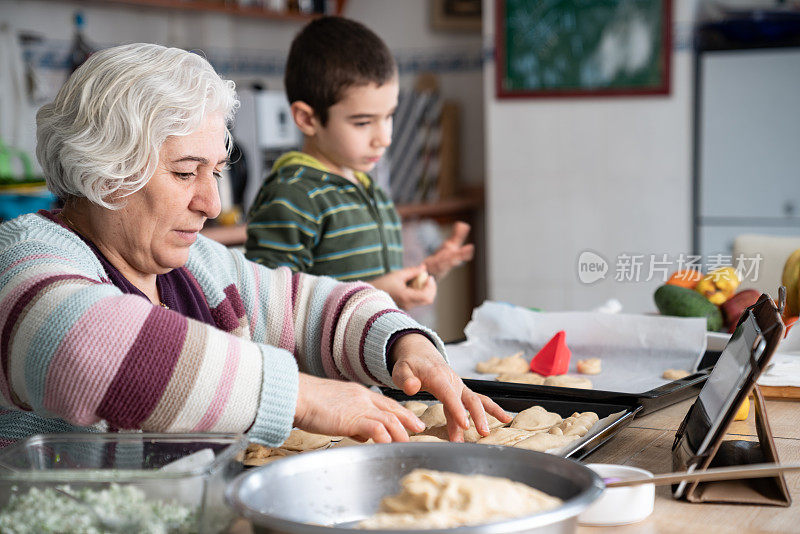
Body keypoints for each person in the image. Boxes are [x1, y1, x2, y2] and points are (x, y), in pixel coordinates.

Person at [0, 43, 509, 448]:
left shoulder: (200, 267)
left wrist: (406, 344)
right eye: (184, 173)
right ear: (105, 172)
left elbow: (311, 306)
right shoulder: (24, 259)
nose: (213, 202)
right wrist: (299, 396)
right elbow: (90, 348)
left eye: (216, 172)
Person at [244, 17, 474, 310]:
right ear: (307, 119)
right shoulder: (294, 196)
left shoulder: (366, 188)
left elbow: (368, 284)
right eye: (363, 122)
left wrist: (424, 273)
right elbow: (268, 306)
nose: (384, 138)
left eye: (389, 116)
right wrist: (378, 292)